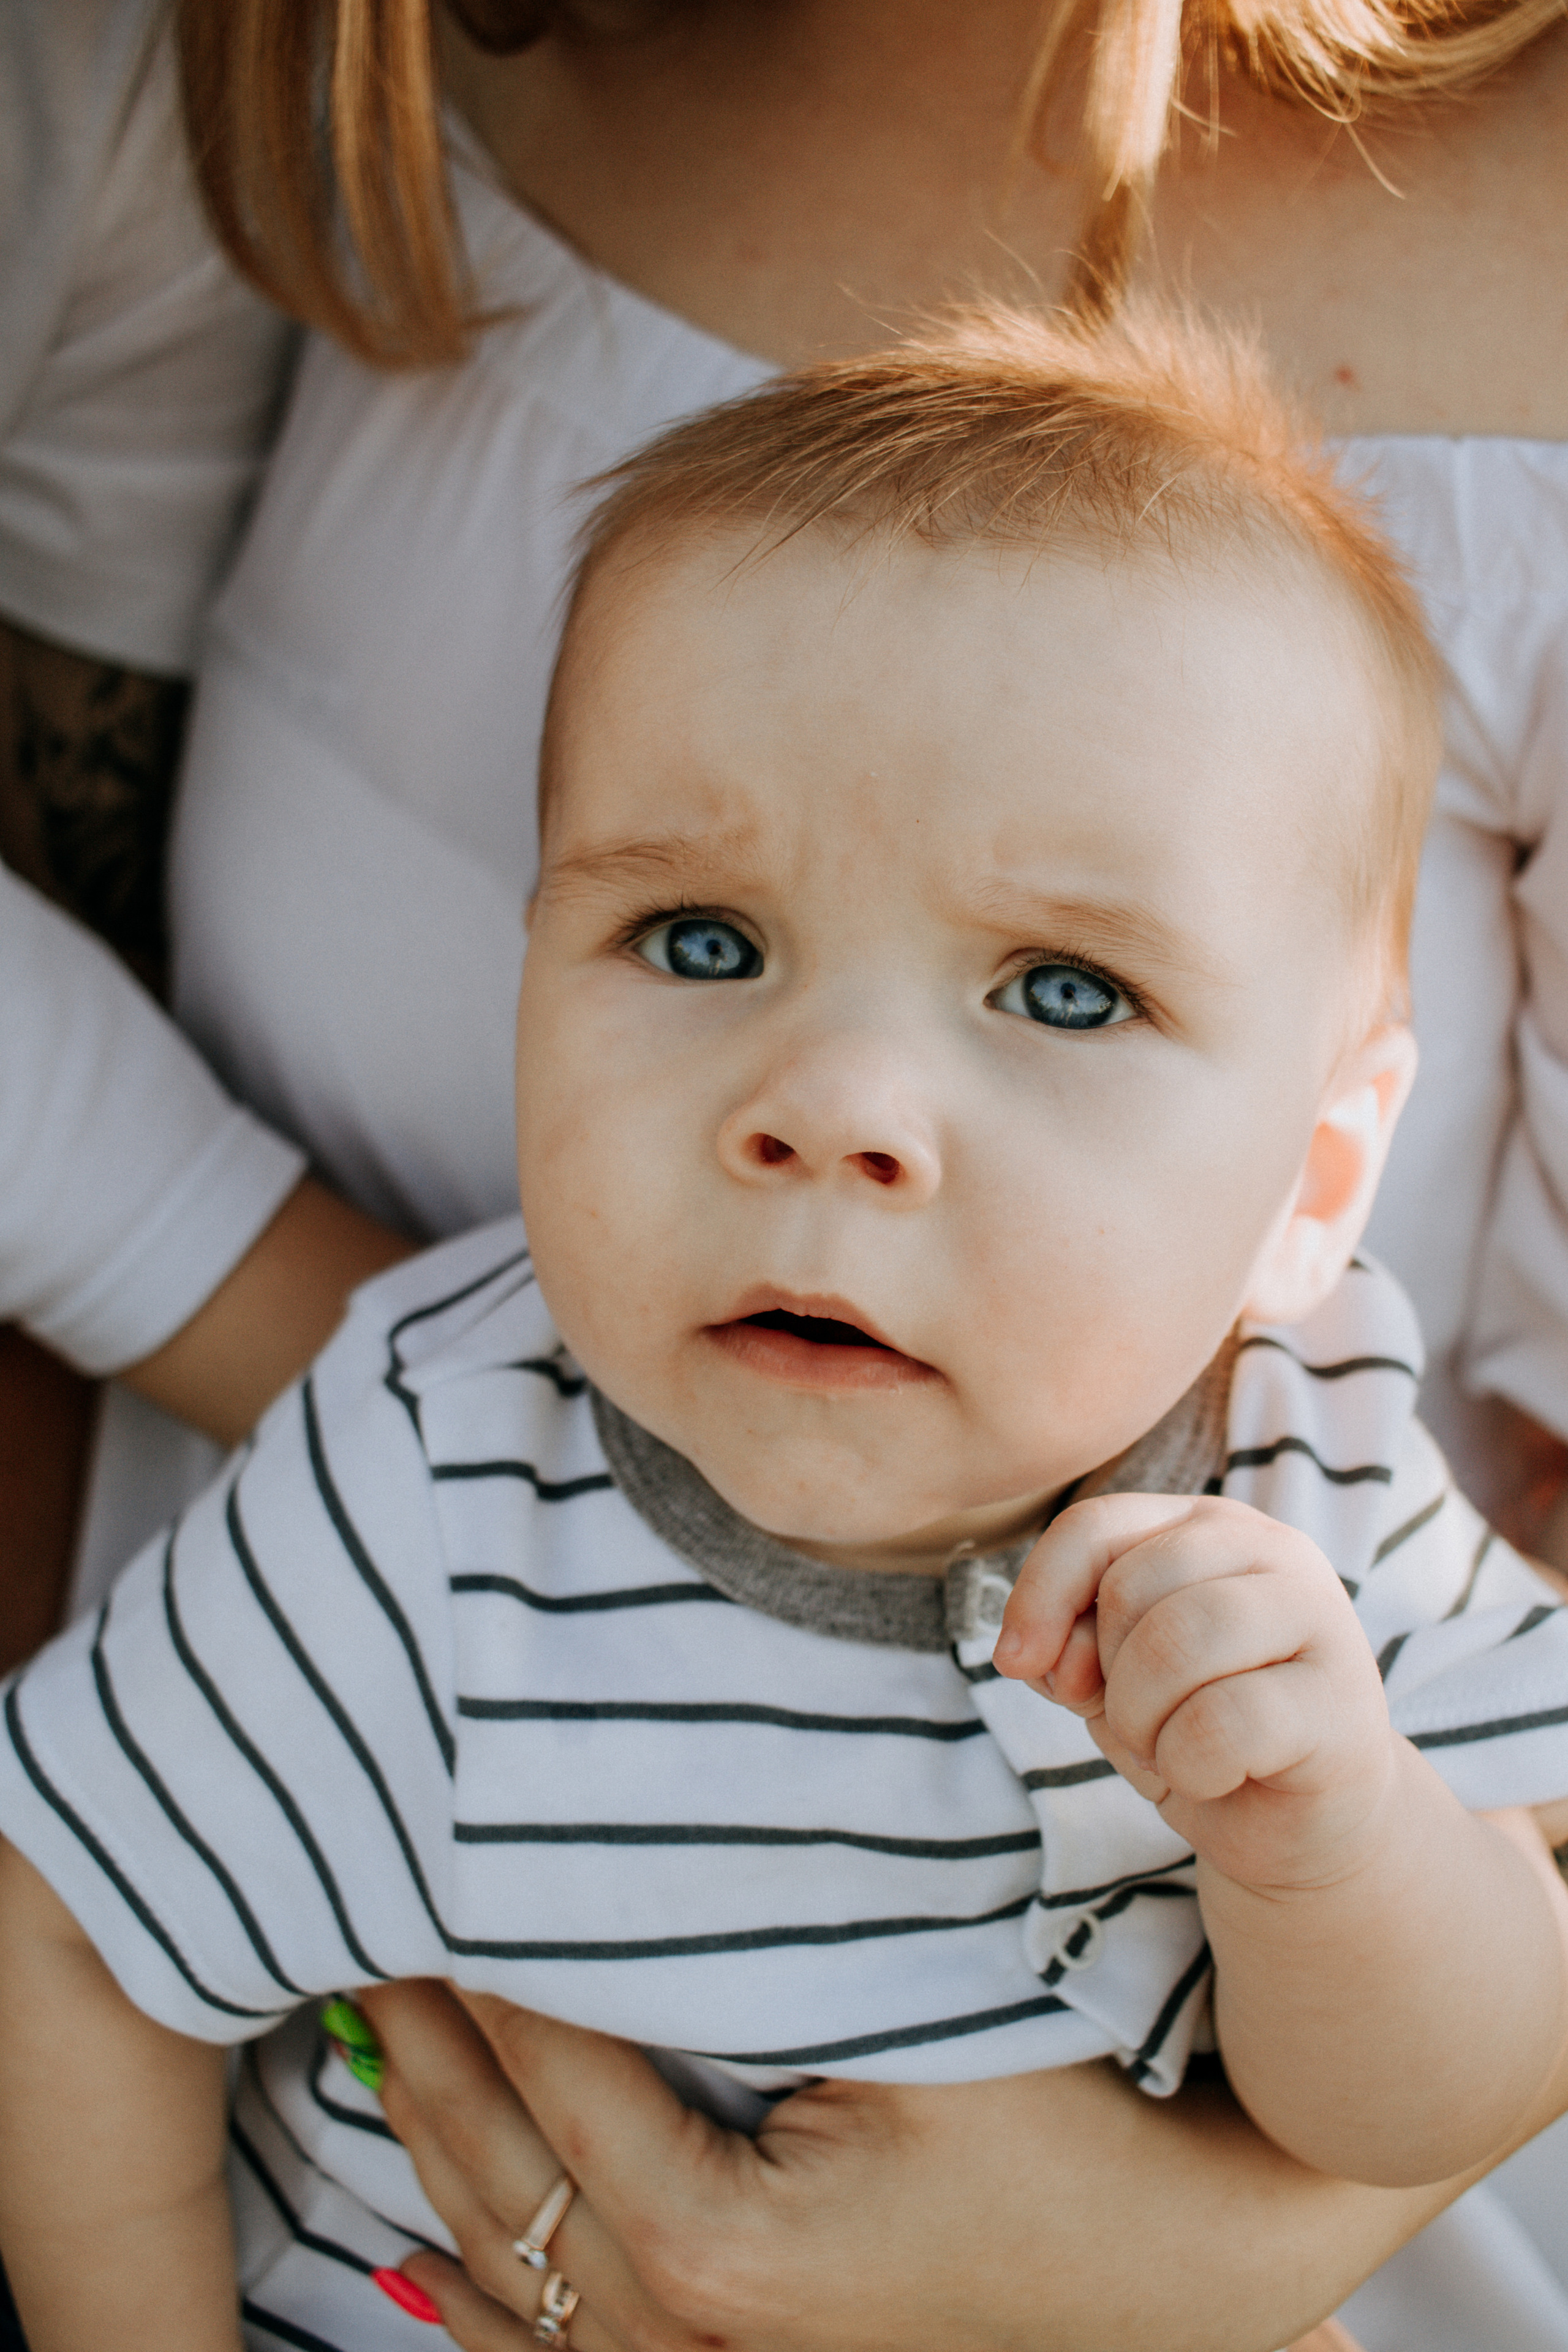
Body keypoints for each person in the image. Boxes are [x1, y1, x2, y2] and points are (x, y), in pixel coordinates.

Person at [6, 1, 1568, 2346]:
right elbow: (71, 1921)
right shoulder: (432, 1466)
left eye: (1063, 990)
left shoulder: (1307, 1482)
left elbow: (1452, 2073)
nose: (832, 1104)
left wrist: (1331, 1850)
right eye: (702, 942)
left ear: (1317, 1172)